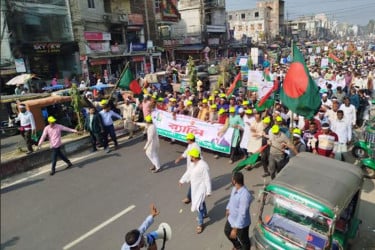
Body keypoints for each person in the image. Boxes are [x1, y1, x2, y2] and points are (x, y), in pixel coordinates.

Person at [179, 148, 211, 234]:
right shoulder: (193, 164)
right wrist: (182, 180)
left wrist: (208, 191)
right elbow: (188, 172)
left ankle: (200, 224)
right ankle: (205, 214)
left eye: (191, 156)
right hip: (195, 188)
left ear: (195, 157)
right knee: (201, 203)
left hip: (201, 189)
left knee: (198, 206)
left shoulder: (203, 166)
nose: (190, 158)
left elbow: (207, 179)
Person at [224, 172, 253, 250]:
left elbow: (242, 214)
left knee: (245, 242)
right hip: (231, 219)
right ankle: (237, 246)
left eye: (232, 179)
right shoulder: (235, 188)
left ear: (234, 181)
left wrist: (235, 229)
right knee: (227, 231)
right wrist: (228, 208)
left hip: (241, 224)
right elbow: (231, 200)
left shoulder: (245, 195)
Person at [175, 133, 201, 204]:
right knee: (192, 182)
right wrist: (179, 158)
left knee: (192, 182)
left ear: (190, 140)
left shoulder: (195, 147)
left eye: (187, 139)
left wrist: (182, 181)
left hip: (194, 167)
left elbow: (195, 157)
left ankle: (189, 198)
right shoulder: (190, 145)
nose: (186, 140)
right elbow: (186, 153)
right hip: (191, 166)